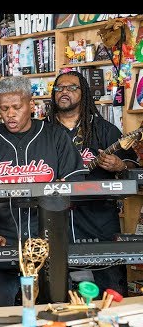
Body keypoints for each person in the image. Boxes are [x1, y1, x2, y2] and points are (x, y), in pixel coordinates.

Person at [0, 76, 88, 307]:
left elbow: (76, 180)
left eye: (16, 107)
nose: (10, 114)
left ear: (31, 105)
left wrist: (61, 189)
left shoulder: (55, 136)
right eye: (4, 108)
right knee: (0, 312)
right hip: (3, 241)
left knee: (54, 310)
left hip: (51, 241)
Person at [47, 70, 140, 297]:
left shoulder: (104, 129)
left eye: (72, 87)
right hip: (54, 219)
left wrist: (119, 165)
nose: (64, 92)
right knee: (58, 292)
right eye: (60, 88)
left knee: (109, 287)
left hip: (98, 219)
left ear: (84, 93)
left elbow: (133, 169)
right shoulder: (42, 130)